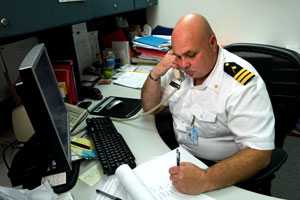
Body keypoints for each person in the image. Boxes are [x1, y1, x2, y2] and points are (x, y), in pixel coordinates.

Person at [141, 13, 275, 195]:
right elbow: (150, 108)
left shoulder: (241, 83)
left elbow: (260, 154)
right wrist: (156, 73)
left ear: (212, 43)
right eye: (177, 55)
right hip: (180, 157)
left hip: (222, 170)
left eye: (190, 55)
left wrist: (206, 179)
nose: (183, 64)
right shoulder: (179, 69)